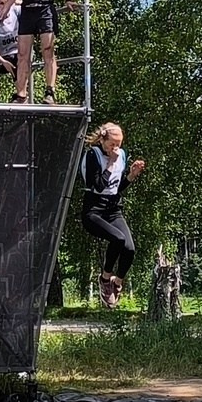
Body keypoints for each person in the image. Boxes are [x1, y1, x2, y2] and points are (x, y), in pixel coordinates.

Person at [79, 121, 145, 308]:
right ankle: (105, 278)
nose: (115, 148)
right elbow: (99, 186)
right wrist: (110, 163)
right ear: (102, 140)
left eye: (119, 144)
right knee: (118, 239)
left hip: (113, 209)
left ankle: (117, 282)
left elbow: (116, 188)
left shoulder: (121, 154)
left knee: (129, 249)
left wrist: (131, 175)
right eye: (112, 144)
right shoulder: (93, 155)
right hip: (94, 211)